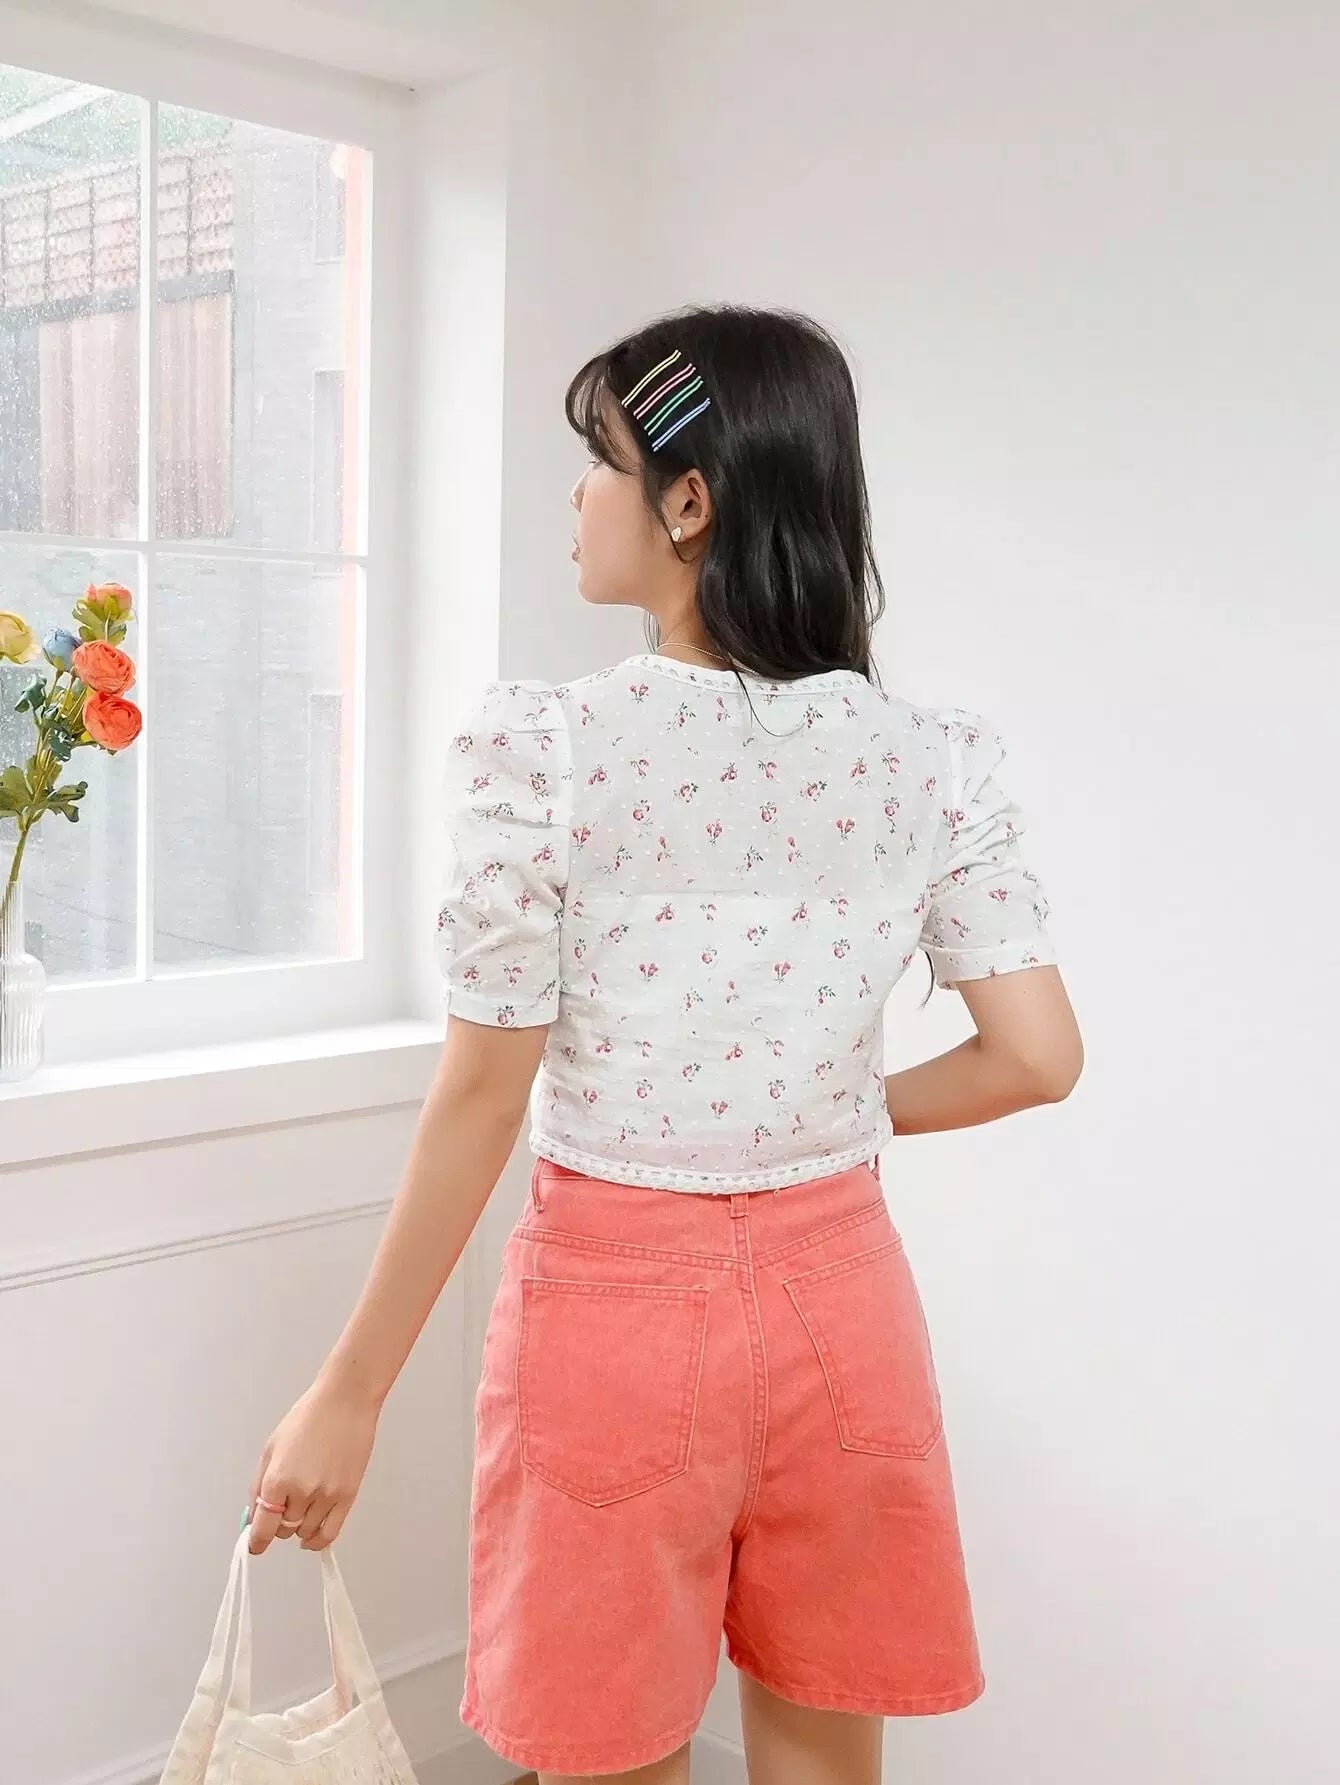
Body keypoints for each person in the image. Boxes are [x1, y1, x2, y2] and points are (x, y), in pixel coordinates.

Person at [246, 305, 1083, 1785]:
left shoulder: (552, 749)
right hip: (846, 1309)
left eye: (601, 462)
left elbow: (482, 1096)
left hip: (616, 1319)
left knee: (609, 1754)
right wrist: (838, 1108)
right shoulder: (930, 757)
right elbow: (1036, 1056)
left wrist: (350, 1391)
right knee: (824, 1751)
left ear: (688, 503)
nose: (577, 496)